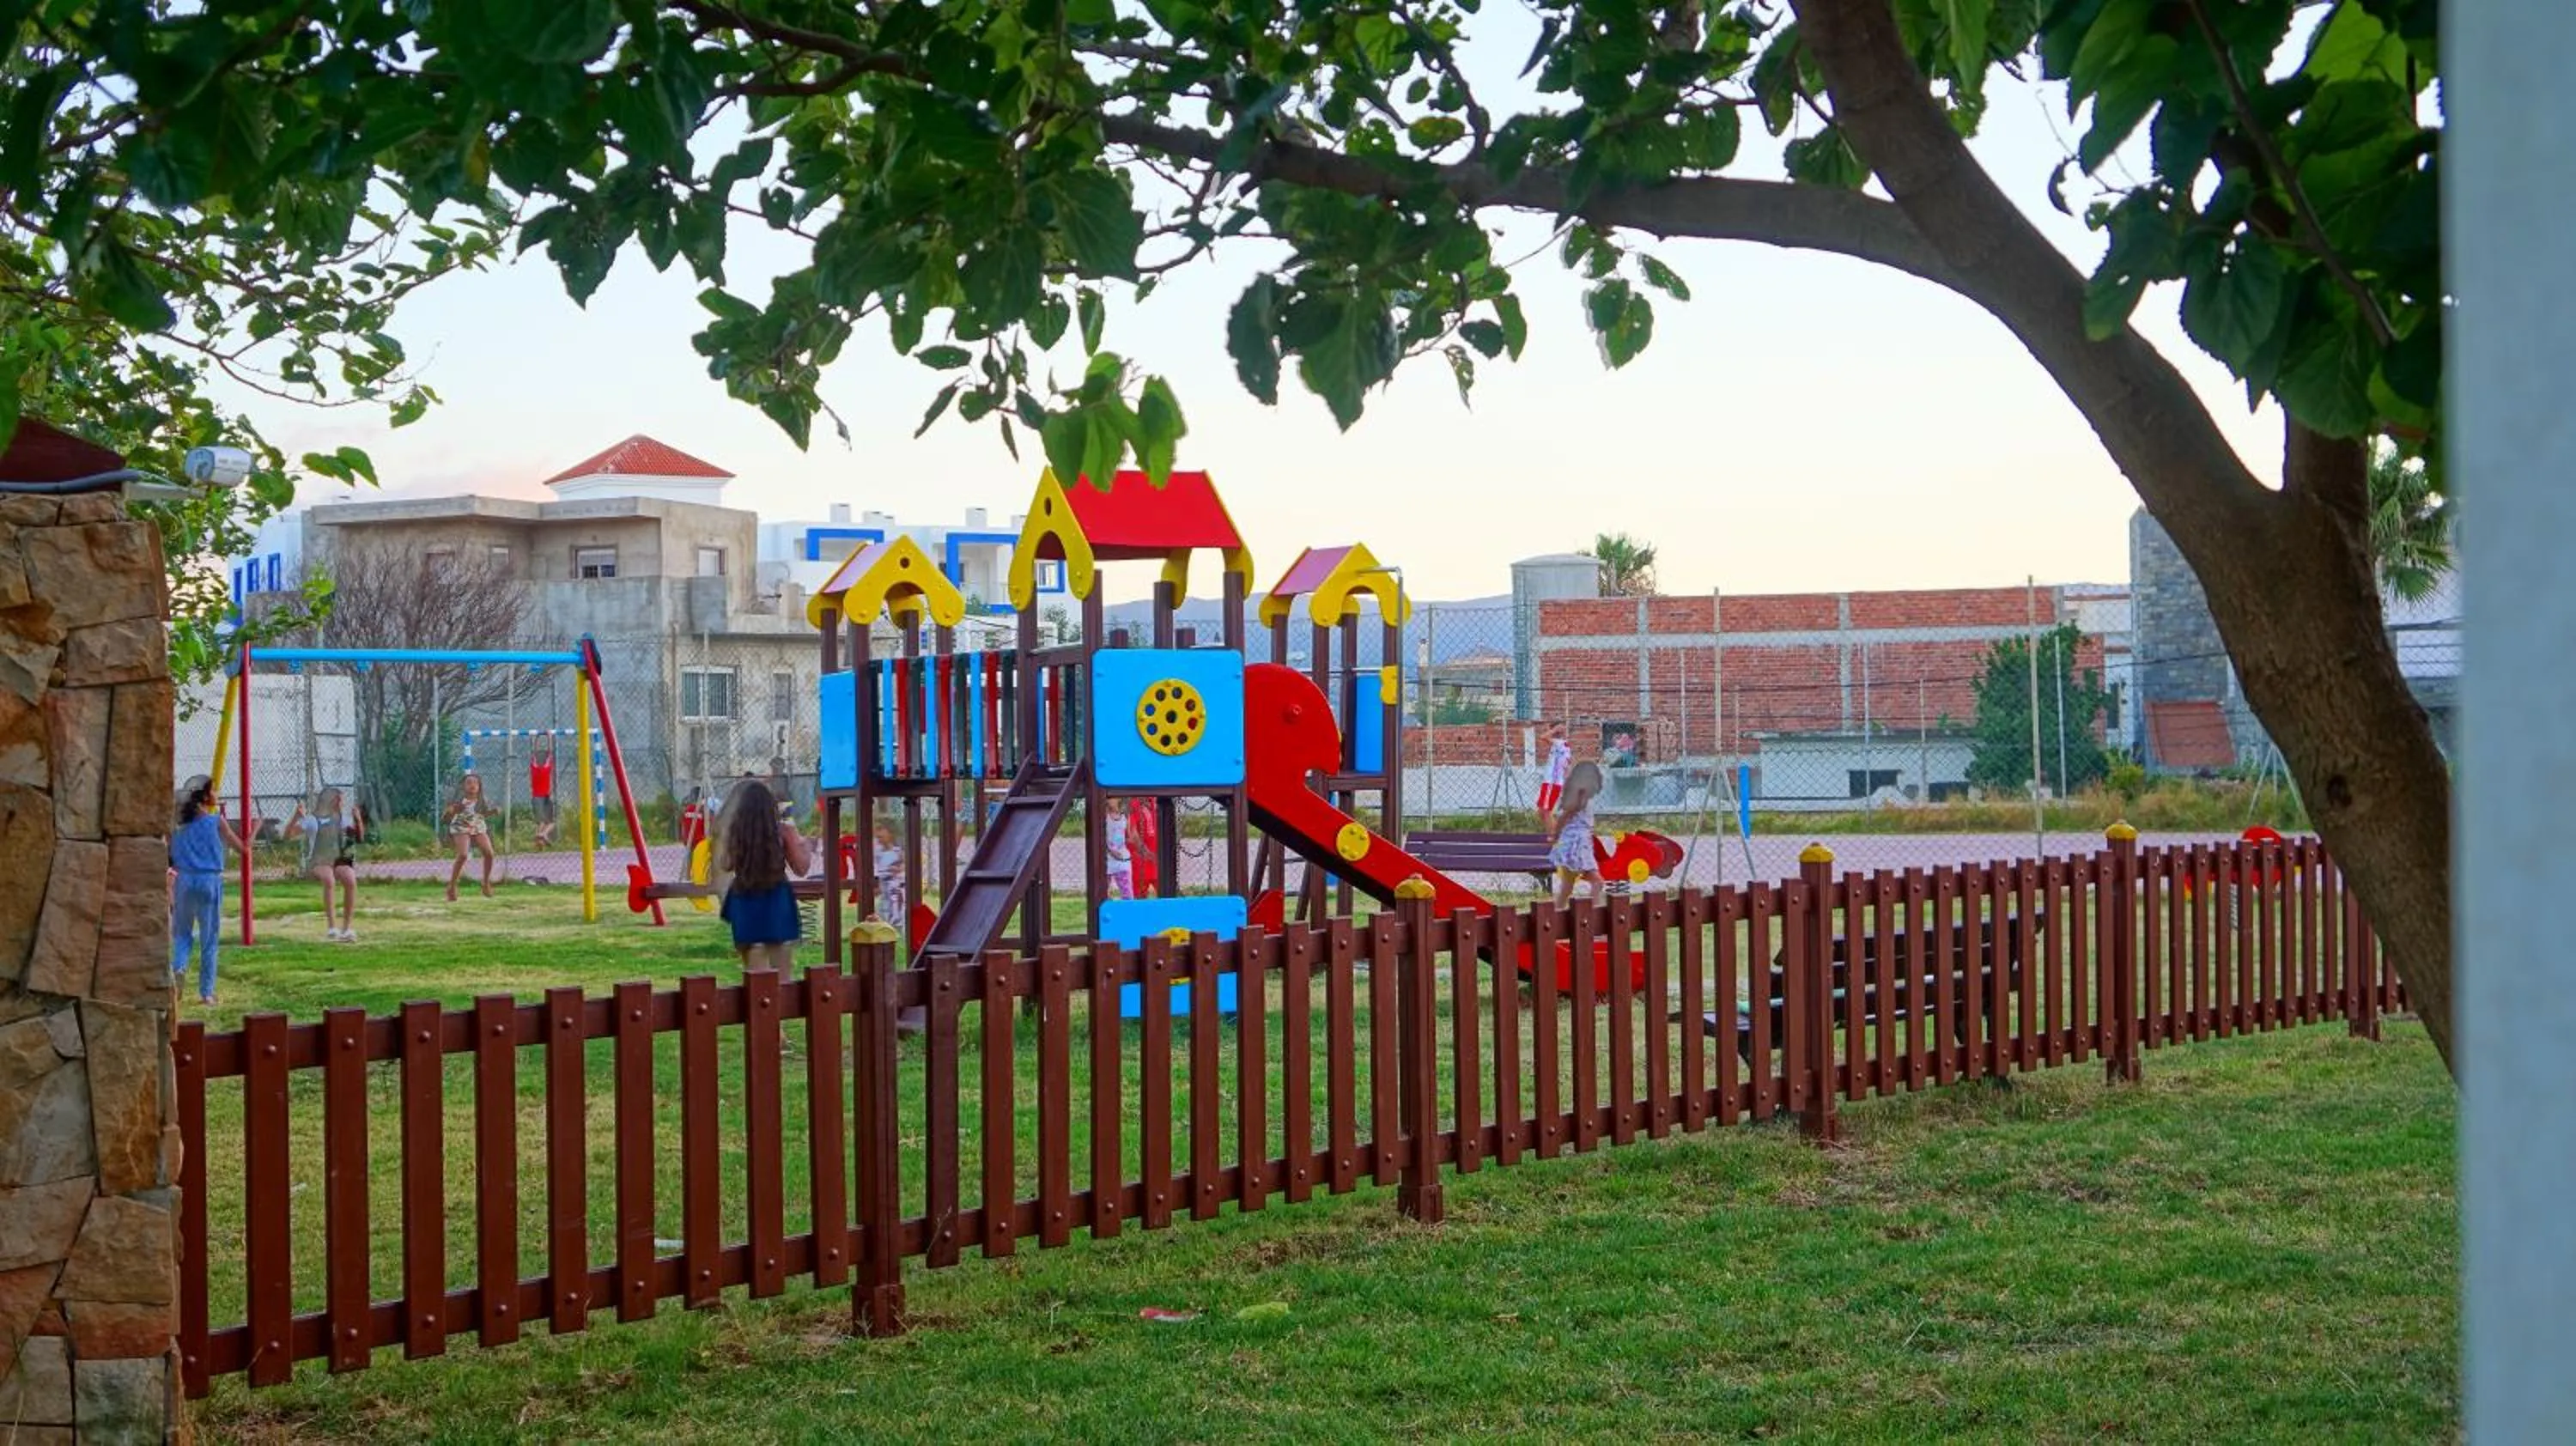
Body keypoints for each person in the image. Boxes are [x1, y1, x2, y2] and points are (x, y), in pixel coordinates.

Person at [717, 779, 813, 972]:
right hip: (776, 895)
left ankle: (755, 997)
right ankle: (783, 998)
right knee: (781, 961)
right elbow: (801, 868)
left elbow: (725, 864)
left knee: (753, 960)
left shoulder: (736, 832)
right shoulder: (784, 831)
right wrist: (806, 846)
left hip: (744, 895)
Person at [169, 775, 243, 1006]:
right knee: (209, 940)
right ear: (204, 796)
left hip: (184, 882)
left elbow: (170, 855)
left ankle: (178, 968)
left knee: (182, 933)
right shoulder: (216, 821)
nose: (217, 794)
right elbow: (242, 849)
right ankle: (206, 993)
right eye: (214, 790)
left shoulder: (177, 828)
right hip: (209, 882)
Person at [286, 786, 367, 943]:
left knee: (350, 878)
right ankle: (332, 928)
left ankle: (347, 929)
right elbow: (287, 835)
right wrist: (296, 817)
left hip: (337, 859)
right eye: (339, 800)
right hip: (317, 860)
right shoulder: (312, 820)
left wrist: (358, 820)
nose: (342, 804)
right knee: (329, 879)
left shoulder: (341, 819)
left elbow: (359, 837)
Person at [1546, 760, 1607, 908]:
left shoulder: (1580, 796)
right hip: (1576, 844)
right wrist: (1555, 835)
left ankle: (1557, 912)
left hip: (1575, 842)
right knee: (1597, 882)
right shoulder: (1580, 798)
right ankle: (1594, 913)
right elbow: (1563, 817)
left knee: (1567, 886)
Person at [442, 773, 497, 901]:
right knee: (463, 855)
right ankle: (452, 886)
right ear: (463, 786)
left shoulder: (482, 800)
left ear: (479, 786)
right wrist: (450, 812)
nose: (472, 785)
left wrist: (493, 811)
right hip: (461, 826)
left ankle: (485, 883)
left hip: (477, 826)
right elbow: (445, 818)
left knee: (489, 853)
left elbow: (484, 813)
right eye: (469, 783)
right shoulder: (458, 801)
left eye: (475, 783)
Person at [1127, 798, 1160, 900]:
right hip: (1140, 861)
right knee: (1139, 897)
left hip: (1157, 859)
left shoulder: (1157, 802)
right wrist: (1149, 854)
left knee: (1166, 896)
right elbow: (1133, 835)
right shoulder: (1133, 804)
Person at [872, 821, 904, 920]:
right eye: (877, 836)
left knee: (893, 902)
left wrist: (899, 869)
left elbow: (906, 863)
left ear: (891, 834)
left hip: (894, 884)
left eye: (881, 833)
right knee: (884, 905)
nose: (878, 837)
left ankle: (895, 919)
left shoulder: (897, 850)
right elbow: (875, 867)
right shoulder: (878, 851)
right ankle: (885, 921)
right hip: (883, 883)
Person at [528, 741, 557, 848]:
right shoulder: (546, 769)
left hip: (538, 798)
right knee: (550, 823)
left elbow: (534, 754)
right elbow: (549, 752)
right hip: (545, 797)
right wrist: (549, 737)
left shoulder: (534, 769)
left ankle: (539, 839)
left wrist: (535, 740)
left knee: (541, 823)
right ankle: (543, 835)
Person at [1104, 805, 1133, 900]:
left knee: (1127, 893)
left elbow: (1129, 836)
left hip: (1122, 859)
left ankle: (1128, 912)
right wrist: (1110, 850)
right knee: (1103, 893)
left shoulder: (1125, 815)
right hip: (1107, 859)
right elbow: (1098, 836)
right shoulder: (1104, 814)